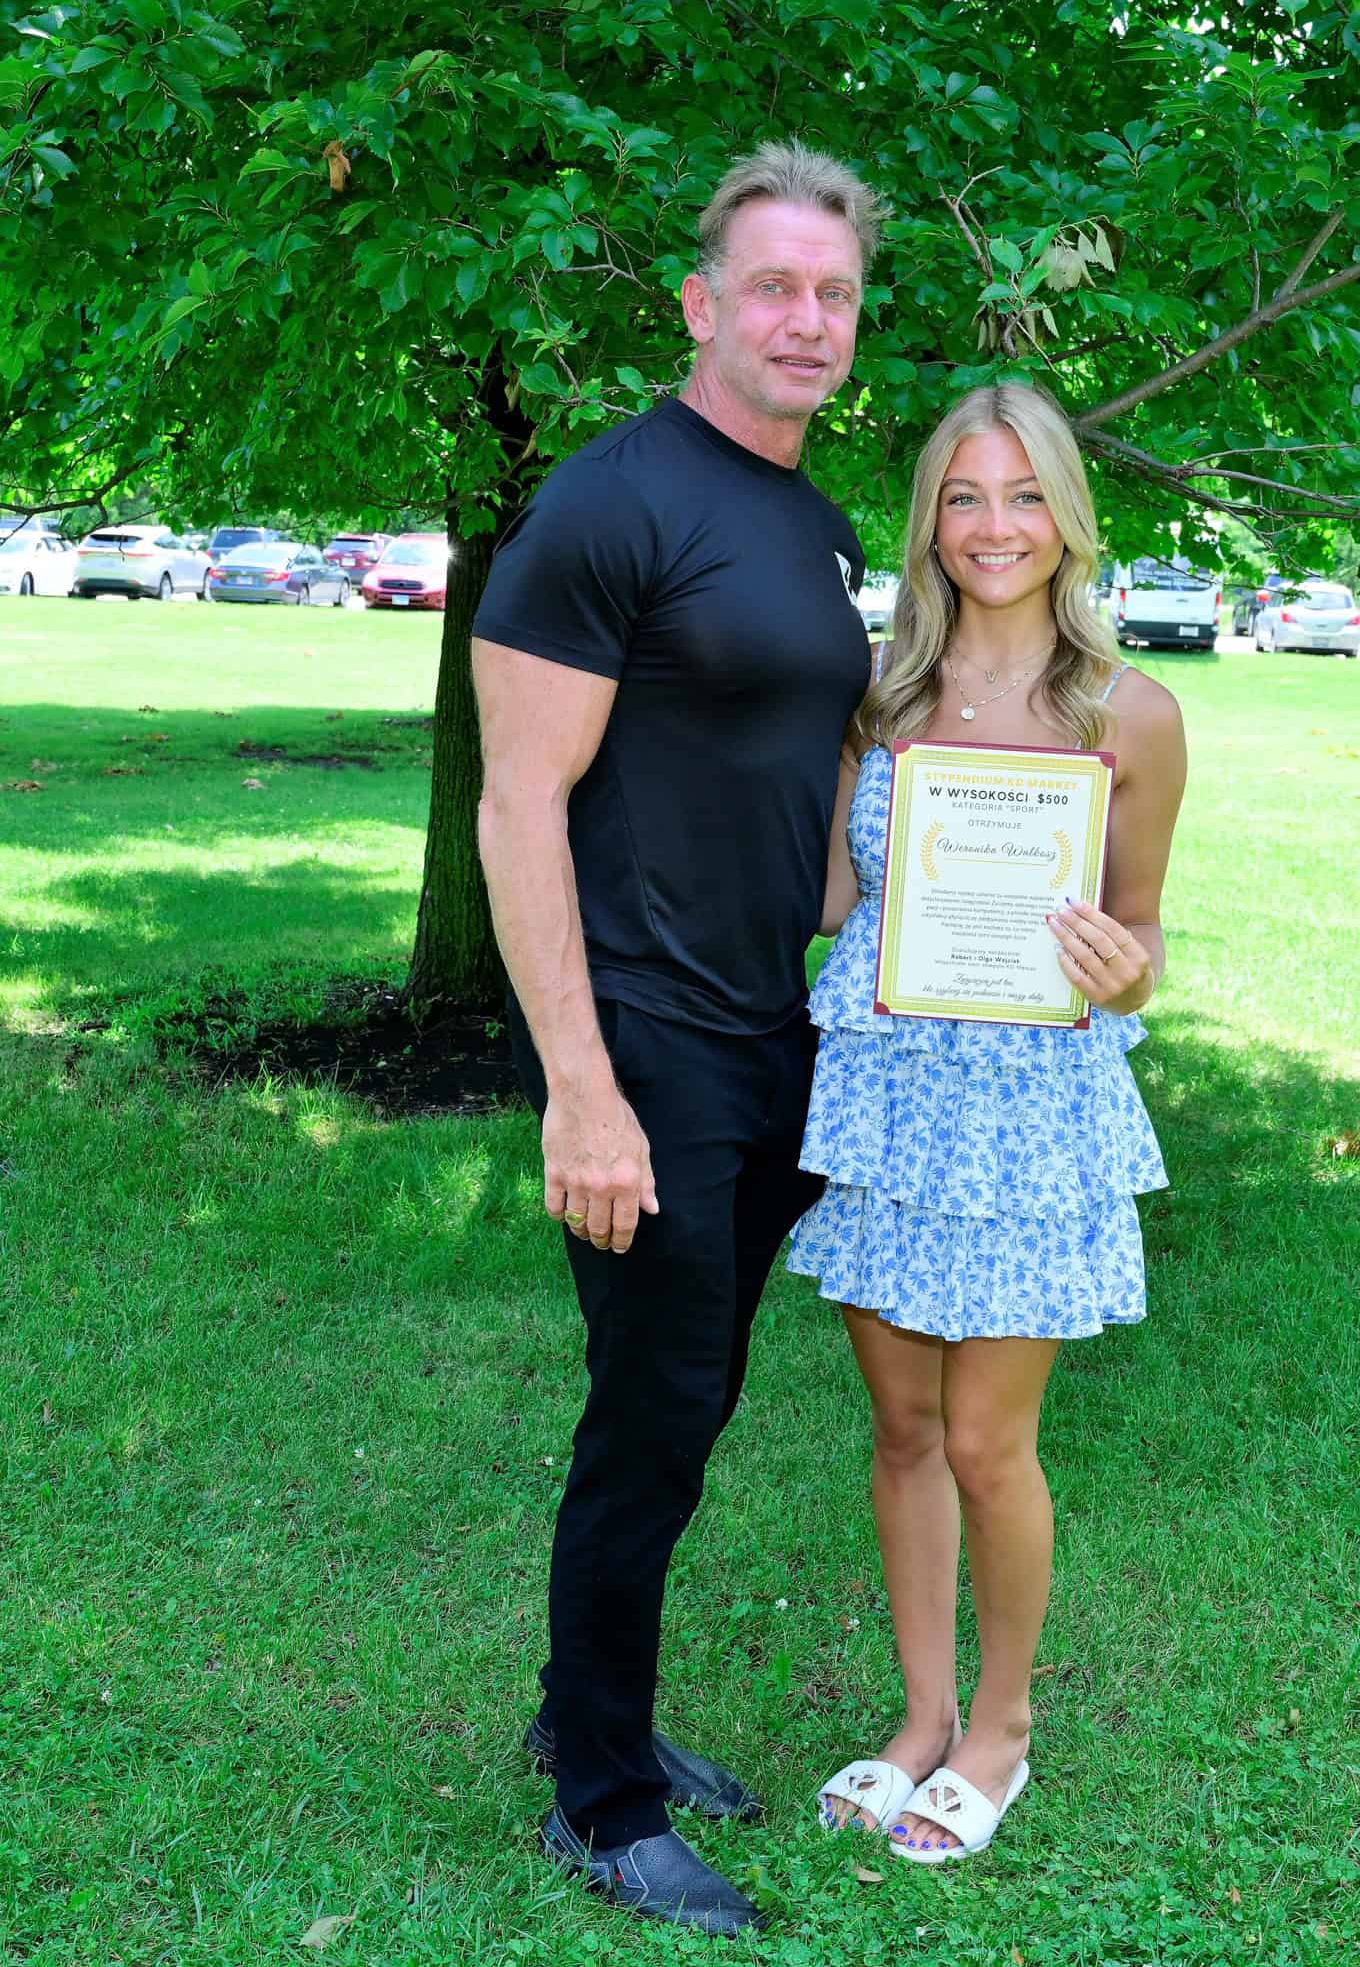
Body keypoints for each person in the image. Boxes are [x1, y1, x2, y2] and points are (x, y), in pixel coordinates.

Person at [470, 142, 885, 1937]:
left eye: (835, 293)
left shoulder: (811, 518)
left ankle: (592, 1709)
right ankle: (601, 1802)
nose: (807, 319)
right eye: (773, 287)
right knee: (651, 1406)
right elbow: (516, 805)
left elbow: (802, 784)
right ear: (701, 305)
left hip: (771, 1022)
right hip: (642, 1036)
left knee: (689, 1388)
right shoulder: (608, 503)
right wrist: (581, 1089)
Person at [795, 381, 1187, 1864]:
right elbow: (832, 895)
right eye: (965, 496)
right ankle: (919, 1718)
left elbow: (1142, 923)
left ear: (1068, 518)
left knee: (982, 1440)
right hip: (892, 1099)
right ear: (929, 521)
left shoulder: (1129, 713)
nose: (994, 526)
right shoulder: (875, 695)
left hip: (1031, 1119)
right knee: (901, 1428)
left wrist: (1125, 967)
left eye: (1024, 495)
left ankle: (1000, 1729)